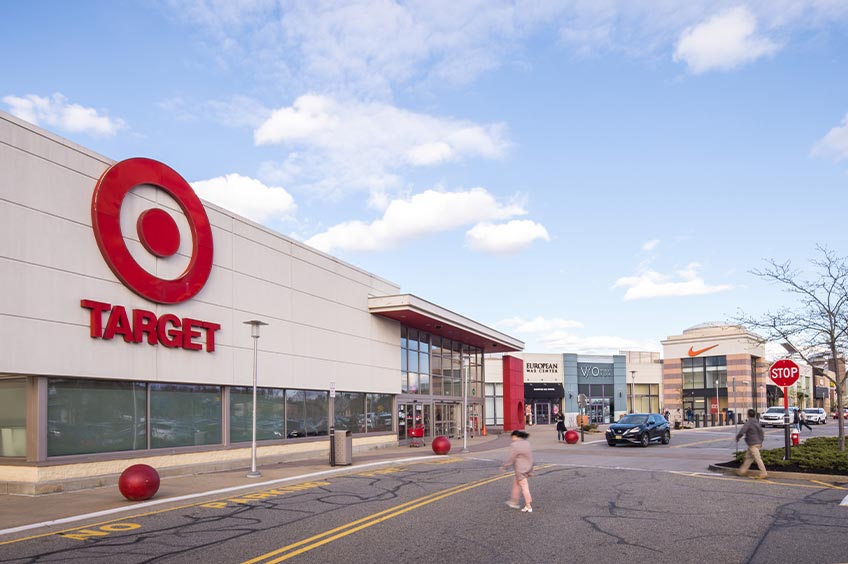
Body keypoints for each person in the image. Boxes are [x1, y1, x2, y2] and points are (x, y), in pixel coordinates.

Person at [503, 430, 534, 513]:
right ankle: (514, 501)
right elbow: (530, 457)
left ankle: (528, 505)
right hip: (527, 467)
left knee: (524, 487)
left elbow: (511, 458)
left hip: (520, 469)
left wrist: (505, 466)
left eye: (512, 437)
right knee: (517, 484)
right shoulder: (527, 443)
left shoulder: (514, 445)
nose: (512, 439)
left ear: (515, 436)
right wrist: (530, 469)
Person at [735, 408, 768, 479]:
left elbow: (742, 431)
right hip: (757, 443)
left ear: (748, 415)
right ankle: (742, 471)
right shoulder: (757, 422)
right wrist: (761, 441)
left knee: (757, 458)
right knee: (749, 458)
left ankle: (764, 472)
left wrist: (738, 437)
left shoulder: (749, 423)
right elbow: (762, 433)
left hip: (753, 443)